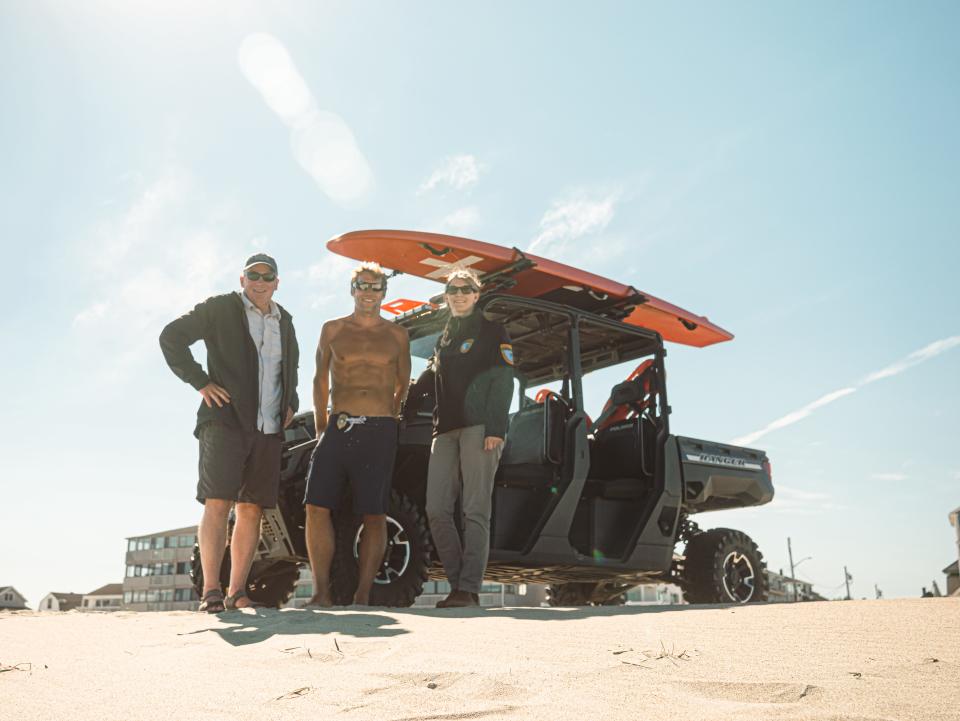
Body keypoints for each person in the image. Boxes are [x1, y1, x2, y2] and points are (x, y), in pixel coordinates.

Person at [159, 253, 299, 613]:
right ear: (242, 279)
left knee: (251, 509)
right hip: (225, 422)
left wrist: (291, 403)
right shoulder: (220, 309)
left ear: (277, 282)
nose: (260, 281)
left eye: (267, 276)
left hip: (267, 428)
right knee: (218, 502)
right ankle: (211, 591)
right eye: (253, 275)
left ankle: (237, 591)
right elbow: (171, 337)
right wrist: (200, 381)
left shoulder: (286, 321)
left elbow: (290, 368)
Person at [303, 262, 411, 606]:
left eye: (375, 286)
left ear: (384, 292)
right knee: (316, 506)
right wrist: (322, 427)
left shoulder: (397, 335)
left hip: (379, 429)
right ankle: (322, 592)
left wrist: (390, 418)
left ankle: (362, 595)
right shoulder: (332, 330)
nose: (368, 292)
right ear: (353, 290)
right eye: (362, 285)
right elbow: (319, 380)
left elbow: (402, 383)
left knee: (374, 513)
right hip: (339, 426)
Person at [426, 268, 514, 608]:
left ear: (477, 295)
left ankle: (469, 588)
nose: (459, 294)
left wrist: (496, 428)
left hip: (480, 429)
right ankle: (457, 582)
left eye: (466, 289)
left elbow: (503, 379)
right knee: (436, 508)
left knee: (475, 508)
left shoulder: (493, 331)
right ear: (447, 295)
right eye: (453, 289)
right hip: (444, 431)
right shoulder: (444, 337)